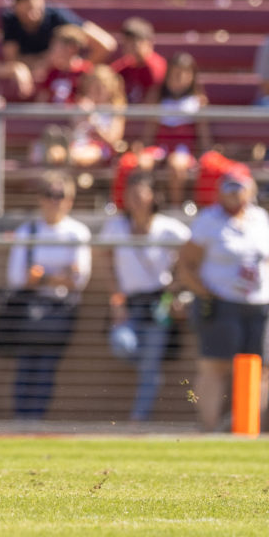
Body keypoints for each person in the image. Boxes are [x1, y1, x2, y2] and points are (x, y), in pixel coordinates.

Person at [176, 168, 269, 432]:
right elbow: (186, 265)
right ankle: (210, 429)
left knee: (259, 368)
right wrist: (206, 293)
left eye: (240, 187)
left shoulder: (260, 218)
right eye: (230, 187)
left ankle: (249, 430)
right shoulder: (208, 220)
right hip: (222, 303)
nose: (235, 194)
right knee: (217, 367)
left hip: (259, 304)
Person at [101, 171, 191, 421]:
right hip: (129, 302)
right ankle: (149, 372)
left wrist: (176, 287)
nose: (137, 199)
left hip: (158, 304)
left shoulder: (170, 229)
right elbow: (107, 264)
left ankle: (138, 420)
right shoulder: (116, 227)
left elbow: (193, 257)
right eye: (132, 194)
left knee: (151, 365)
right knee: (122, 343)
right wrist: (116, 299)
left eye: (141, 193)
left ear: (154, 196)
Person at [5, 171, 91, 418]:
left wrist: (41, 277)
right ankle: (21, 422)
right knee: (25, 368)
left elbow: (79, 279)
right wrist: (58, 276)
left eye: (60, 195)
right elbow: (16, 277)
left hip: (60, 312)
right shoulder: (27, 230)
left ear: (70, 200)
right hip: (28, 312)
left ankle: (34, 421)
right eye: (49, 195)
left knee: (45, 368)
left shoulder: (77, 232)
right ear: (40, 198)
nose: (54, 201)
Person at [2, 0, 116, 74]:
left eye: (33, 9)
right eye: (24, 13)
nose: (31, 16)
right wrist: (46, 60)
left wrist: (79, 70)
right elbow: (13, 61)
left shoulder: (58, 16)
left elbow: (106, 44)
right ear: (15, 8)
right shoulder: (11, 20)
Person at [144, 52, 211, 206]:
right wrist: (145, 148)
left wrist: (205, 153)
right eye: (174, 74)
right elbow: (150, 131)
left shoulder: (198, 101)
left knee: (176, 165)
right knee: (142, 163)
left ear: (191, 77)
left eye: (183, 74)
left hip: (183, 151)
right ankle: (147, 207)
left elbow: (203, 132)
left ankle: (175, 206)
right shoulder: (158, 99)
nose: (178, 78)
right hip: (160, 149)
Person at [69, 64, 126, 167]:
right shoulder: (84, 105)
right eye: (94, 86)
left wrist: (93, 120)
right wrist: (80, 113)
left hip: (101, 149)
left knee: (71, 157)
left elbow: (113, 140)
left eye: (102, 86)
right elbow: (75, 130)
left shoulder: (116, 110)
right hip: (78, 145)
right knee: (54, 154)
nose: (98, 91)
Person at [111, 17, 167, 105]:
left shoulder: (155, 67)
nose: (129, 46)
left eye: (134, 41)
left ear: (148, 42)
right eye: (127, 41)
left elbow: (152, 102)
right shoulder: (124, 65)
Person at [34, 24, 93, 106]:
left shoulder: (85, 71)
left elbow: (88, 98)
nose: (53, 50)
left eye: (57, 46)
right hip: (52, 116)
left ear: (71, 48)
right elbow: (42, 98)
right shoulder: (52, 71)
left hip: (74, 115)